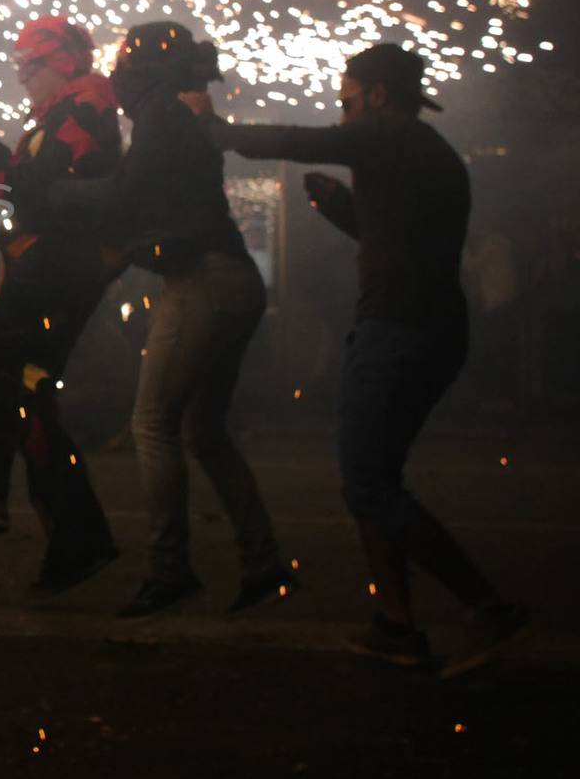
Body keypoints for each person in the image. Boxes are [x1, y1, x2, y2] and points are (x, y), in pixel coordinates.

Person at [199, 42, 528, 674]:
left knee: (369, 484)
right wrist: (345, 211)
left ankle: (488, 607)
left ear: (379, 96)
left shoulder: (396, 139)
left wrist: (219, 132)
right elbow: (404, 242)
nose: (342, 114)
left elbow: (295, 140)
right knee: (372, 481)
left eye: (348, 100)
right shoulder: (417, 152)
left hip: (402, 327)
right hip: (417, 322)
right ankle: (396, 624)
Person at [57, 22, 295, 618]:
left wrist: (51, 193)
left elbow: (125, 194)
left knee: (151, 425)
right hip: (232, 279)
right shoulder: (175, 115)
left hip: (203, 283)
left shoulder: (162, 116)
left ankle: (171, 569)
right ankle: (262, 561)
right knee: (205, 433)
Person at [0, 15, 123, 595]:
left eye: (30, 66)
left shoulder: (83, 107)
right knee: (29, 396)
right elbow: (15, 185)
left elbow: (30, 190)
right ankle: (77, 539)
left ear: (62, 62)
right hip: (51, 261)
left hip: (57, 264)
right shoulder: (60, 113)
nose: (22, 77)